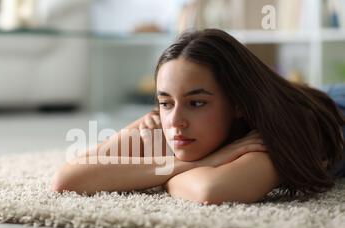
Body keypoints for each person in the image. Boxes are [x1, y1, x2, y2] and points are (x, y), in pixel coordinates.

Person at [52, 29, 345, 205]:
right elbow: (69, 179)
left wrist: (149, 172)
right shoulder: (165, 123)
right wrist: (200, 163)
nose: (176, 121)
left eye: (197, 103)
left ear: (238, 104)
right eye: (166, 102)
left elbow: (211, 191)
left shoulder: (269, 135)